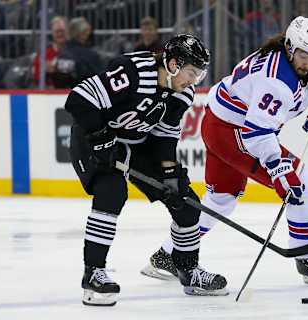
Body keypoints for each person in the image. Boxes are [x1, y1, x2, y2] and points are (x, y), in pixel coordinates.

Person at [141, 16, 308, 286]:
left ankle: (168, 254)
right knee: (302, 182)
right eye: (303, 55)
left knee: (221, 199)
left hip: (218, 123)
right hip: (234, 131)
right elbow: (256, 133)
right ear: (290, 48)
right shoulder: (276, 80)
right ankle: (307, 256)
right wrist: (279, 169)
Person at [64, 34, 228, 307]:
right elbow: (78, 100)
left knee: (186, 202)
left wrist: (170, 174)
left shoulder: (182, 94)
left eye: (199, 75)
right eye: (191, 73)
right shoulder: (134, 72)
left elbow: (164, 139)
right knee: (111, 192)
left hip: (137, 145)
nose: (194, 81)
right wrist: (100, 136)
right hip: (92, 138)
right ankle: (93, 274)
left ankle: (188, 271)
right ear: (174, 64)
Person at [53, 17, 103, 88]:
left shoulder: (62, 53)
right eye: (88, 31)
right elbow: (100, 82)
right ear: (83, 33)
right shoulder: (90, 55)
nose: (90, 34)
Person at [32, 16, 69, 88]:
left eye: (62, 31)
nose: (60, 34)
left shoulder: (74, 51)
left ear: (68, 31)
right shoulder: (44, 53)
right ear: (52, 33)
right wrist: (45, 71)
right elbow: (36, 78)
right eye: (57, 31)